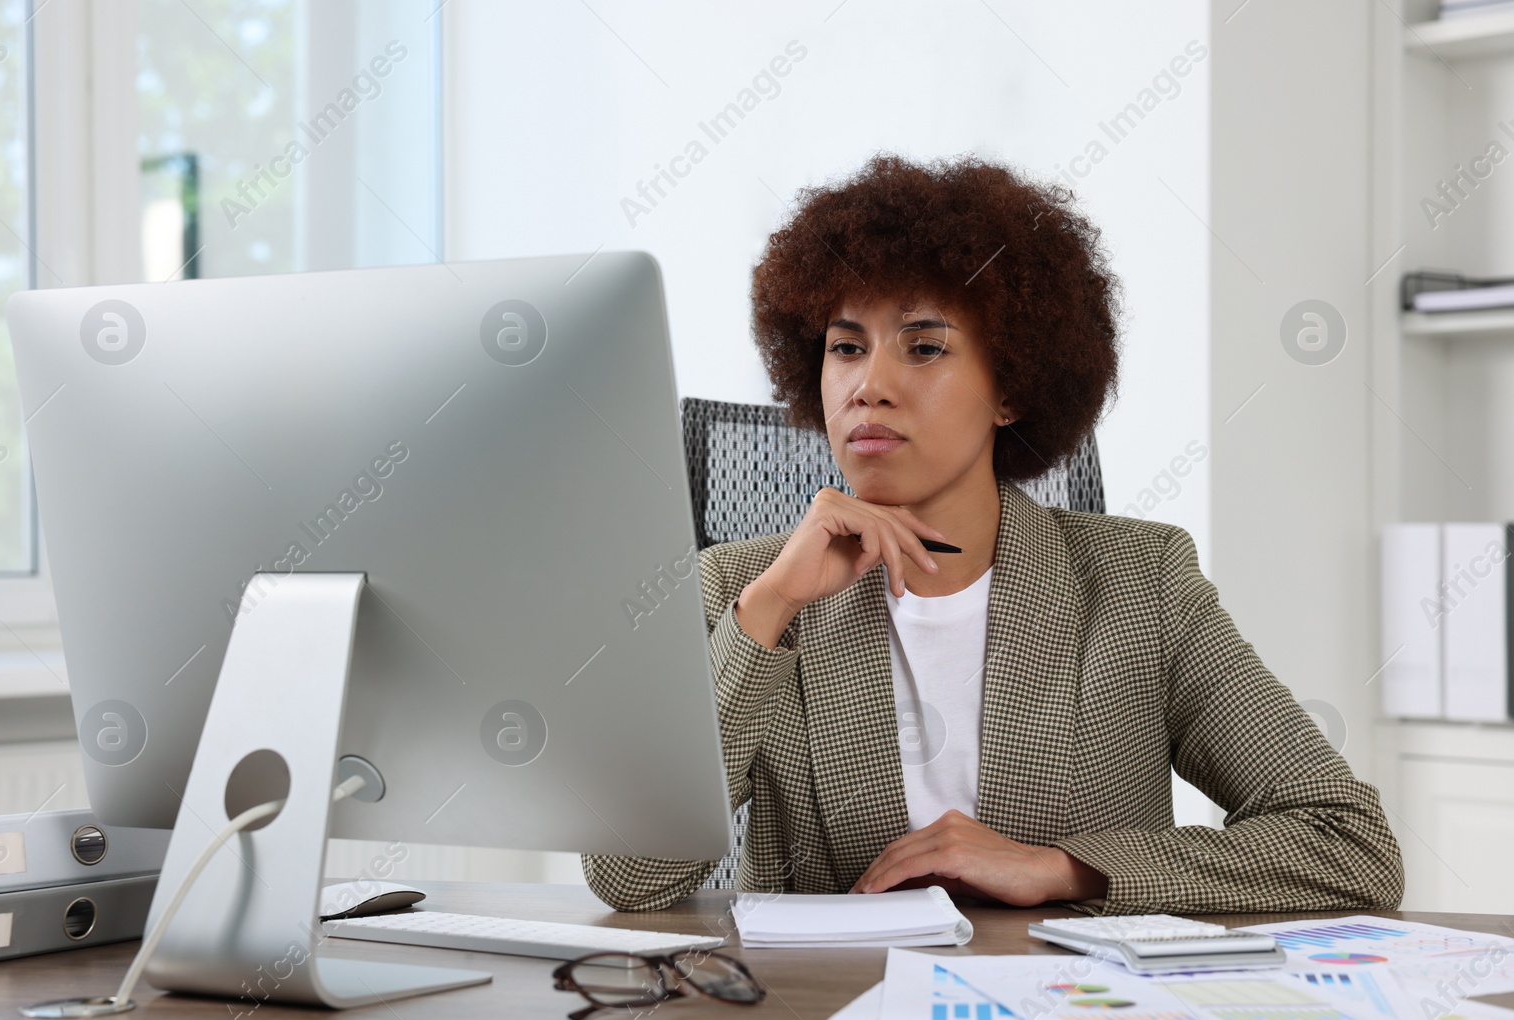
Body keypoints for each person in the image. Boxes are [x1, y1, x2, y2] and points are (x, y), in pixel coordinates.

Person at [583, 152, 1404, 915]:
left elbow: (1349, 843)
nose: (870, 385)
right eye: (845, 347)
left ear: (1010, 386)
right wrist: (769, 609)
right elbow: (627, 876)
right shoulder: (740, 590)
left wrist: (1065, 866)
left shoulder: (1141, 584)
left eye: (925, 345)